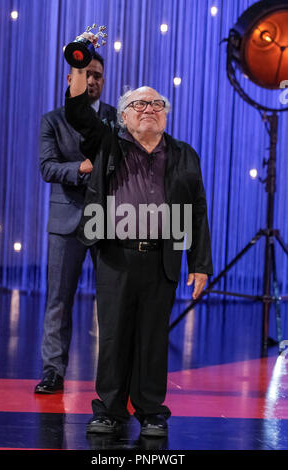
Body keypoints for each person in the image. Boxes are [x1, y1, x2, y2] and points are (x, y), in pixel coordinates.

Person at [64, 33, 213, 437]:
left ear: (166, 114)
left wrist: (200, 264)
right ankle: (109, 410)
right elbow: (78, 110)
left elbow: (197, 209)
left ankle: (151, 411)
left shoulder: (184, 153)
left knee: (152, 338)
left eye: (157, 104)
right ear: (125, 115)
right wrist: (80, 62)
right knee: (113, 335)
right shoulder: (108, 142)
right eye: (140, 104)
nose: (150, 109)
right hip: (115, 254)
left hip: (163, 257)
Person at [35, 53, 117, 394]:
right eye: (85, 74)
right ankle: (53, 371)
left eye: (97, 75)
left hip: (108, 220)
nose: (92, 80)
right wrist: (81, 169)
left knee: (113, 302)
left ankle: (114, 378)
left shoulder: (117, 118)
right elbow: (47, 168)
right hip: (65, 220)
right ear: (71, 81)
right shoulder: (52, 120)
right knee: (58, 300)